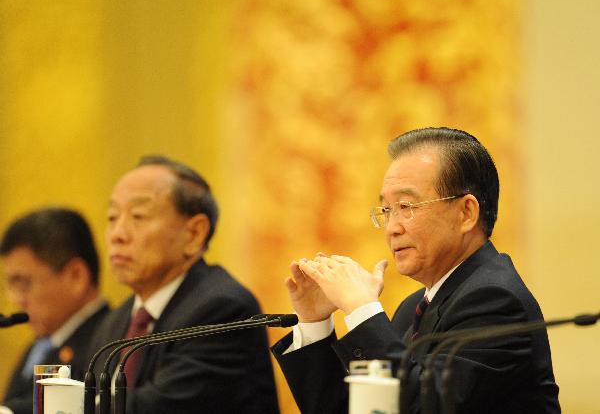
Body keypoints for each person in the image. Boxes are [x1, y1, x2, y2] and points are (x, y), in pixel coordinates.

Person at [272, 127, 560, 414]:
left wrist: (361, 309)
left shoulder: (496, 301)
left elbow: (425, 407)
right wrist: (315, 323)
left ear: (466, 213)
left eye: (406, 206)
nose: (392, 228)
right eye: (387, 210)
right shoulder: (412, 309)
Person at [88, 155, 279, 414]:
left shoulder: (223, 311)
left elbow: (156, 409)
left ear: (194, 233)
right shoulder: (115, 322)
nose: (118, 234)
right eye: (112, 217)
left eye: (138, 216)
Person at [0, 207, 110, 414]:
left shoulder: (108, 341)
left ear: (76, 277)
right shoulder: (43, 343)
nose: (15, 299)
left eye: (23, 283)